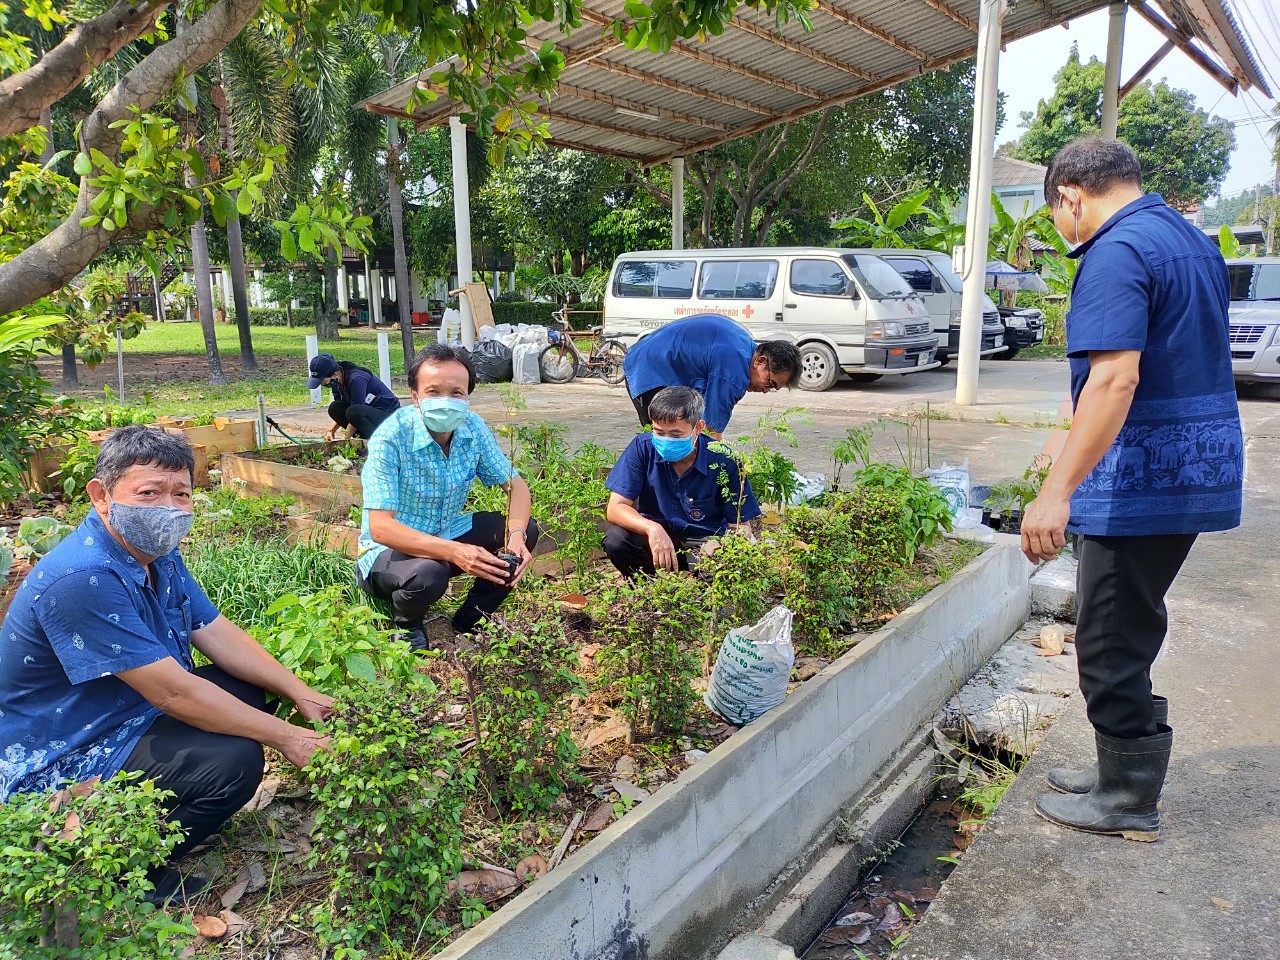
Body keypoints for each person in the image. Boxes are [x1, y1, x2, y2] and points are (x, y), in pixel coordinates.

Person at [0, 426, 334, 902]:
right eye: (149, 493)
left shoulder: (157, 553)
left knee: (248, 694)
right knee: (235, 764)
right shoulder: (82, 577)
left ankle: (160, 810)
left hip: (120, 708)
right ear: (101, 495)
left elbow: (214, 630)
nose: (169, 509)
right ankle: (116, 866)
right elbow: (172, 693)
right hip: (63, 748)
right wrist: (289, 738)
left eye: (181, 494)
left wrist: (299, 690)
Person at [1021, 138, 1243, 842]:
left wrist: (1057, 493)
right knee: (1128, 624)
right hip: (1187, 468)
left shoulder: (1115, 251)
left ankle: (1127, 801)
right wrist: (1057, 452)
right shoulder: (1181, 236)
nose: (1060, 231)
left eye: (1054, 216)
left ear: (1070, 196)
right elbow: (1106, 378)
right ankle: (1117, 770)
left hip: (1141, 478)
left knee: (1109, 637)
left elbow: (1116, 380)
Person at [356, 344, 537, 649]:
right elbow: (381, 528)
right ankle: (408, 625)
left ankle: (471, 620)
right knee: (430, 570)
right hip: (388, 553)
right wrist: (452, 551)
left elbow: (516, 487)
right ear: (415, 397)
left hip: (445, 531)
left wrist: (516, 536)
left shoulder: (472, 428)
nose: (446, 401)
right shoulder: (391, 438)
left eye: (456, 393)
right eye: (433, 392)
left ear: (467, 397)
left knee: (524, 530)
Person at [603, 386, 761, 577]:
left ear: (699, 428)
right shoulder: (642, 448)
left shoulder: (724, 460)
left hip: (703, 542)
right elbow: (615, 508)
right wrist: (651, 528)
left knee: (723, 567)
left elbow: (740, 526)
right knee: (616, 540)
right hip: (654, 541)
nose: (666, 440)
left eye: (676, 435)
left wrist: (724, 551)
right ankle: (647, 587)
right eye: (659, 432)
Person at [621, 314, 801, 438]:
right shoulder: (735, 372)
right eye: (770, 383)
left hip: (651, 363)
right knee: (666, 438)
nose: (765, 391)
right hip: (650, 372)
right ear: (760, 361)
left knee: (679, 436)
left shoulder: (743, 346)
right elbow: (711, 432)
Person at [306, 353, 401, 441]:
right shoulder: (337, 382)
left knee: (353, 411)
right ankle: (363, 439)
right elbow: (345, 409)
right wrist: (330, 431)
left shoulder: (356, 379)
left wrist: (344, 440)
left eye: (323, 381)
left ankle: (377, 442)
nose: (323, 384)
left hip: (389, 416)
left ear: (335, 374)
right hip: (367, 415)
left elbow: (355, 413)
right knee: (335, 408)